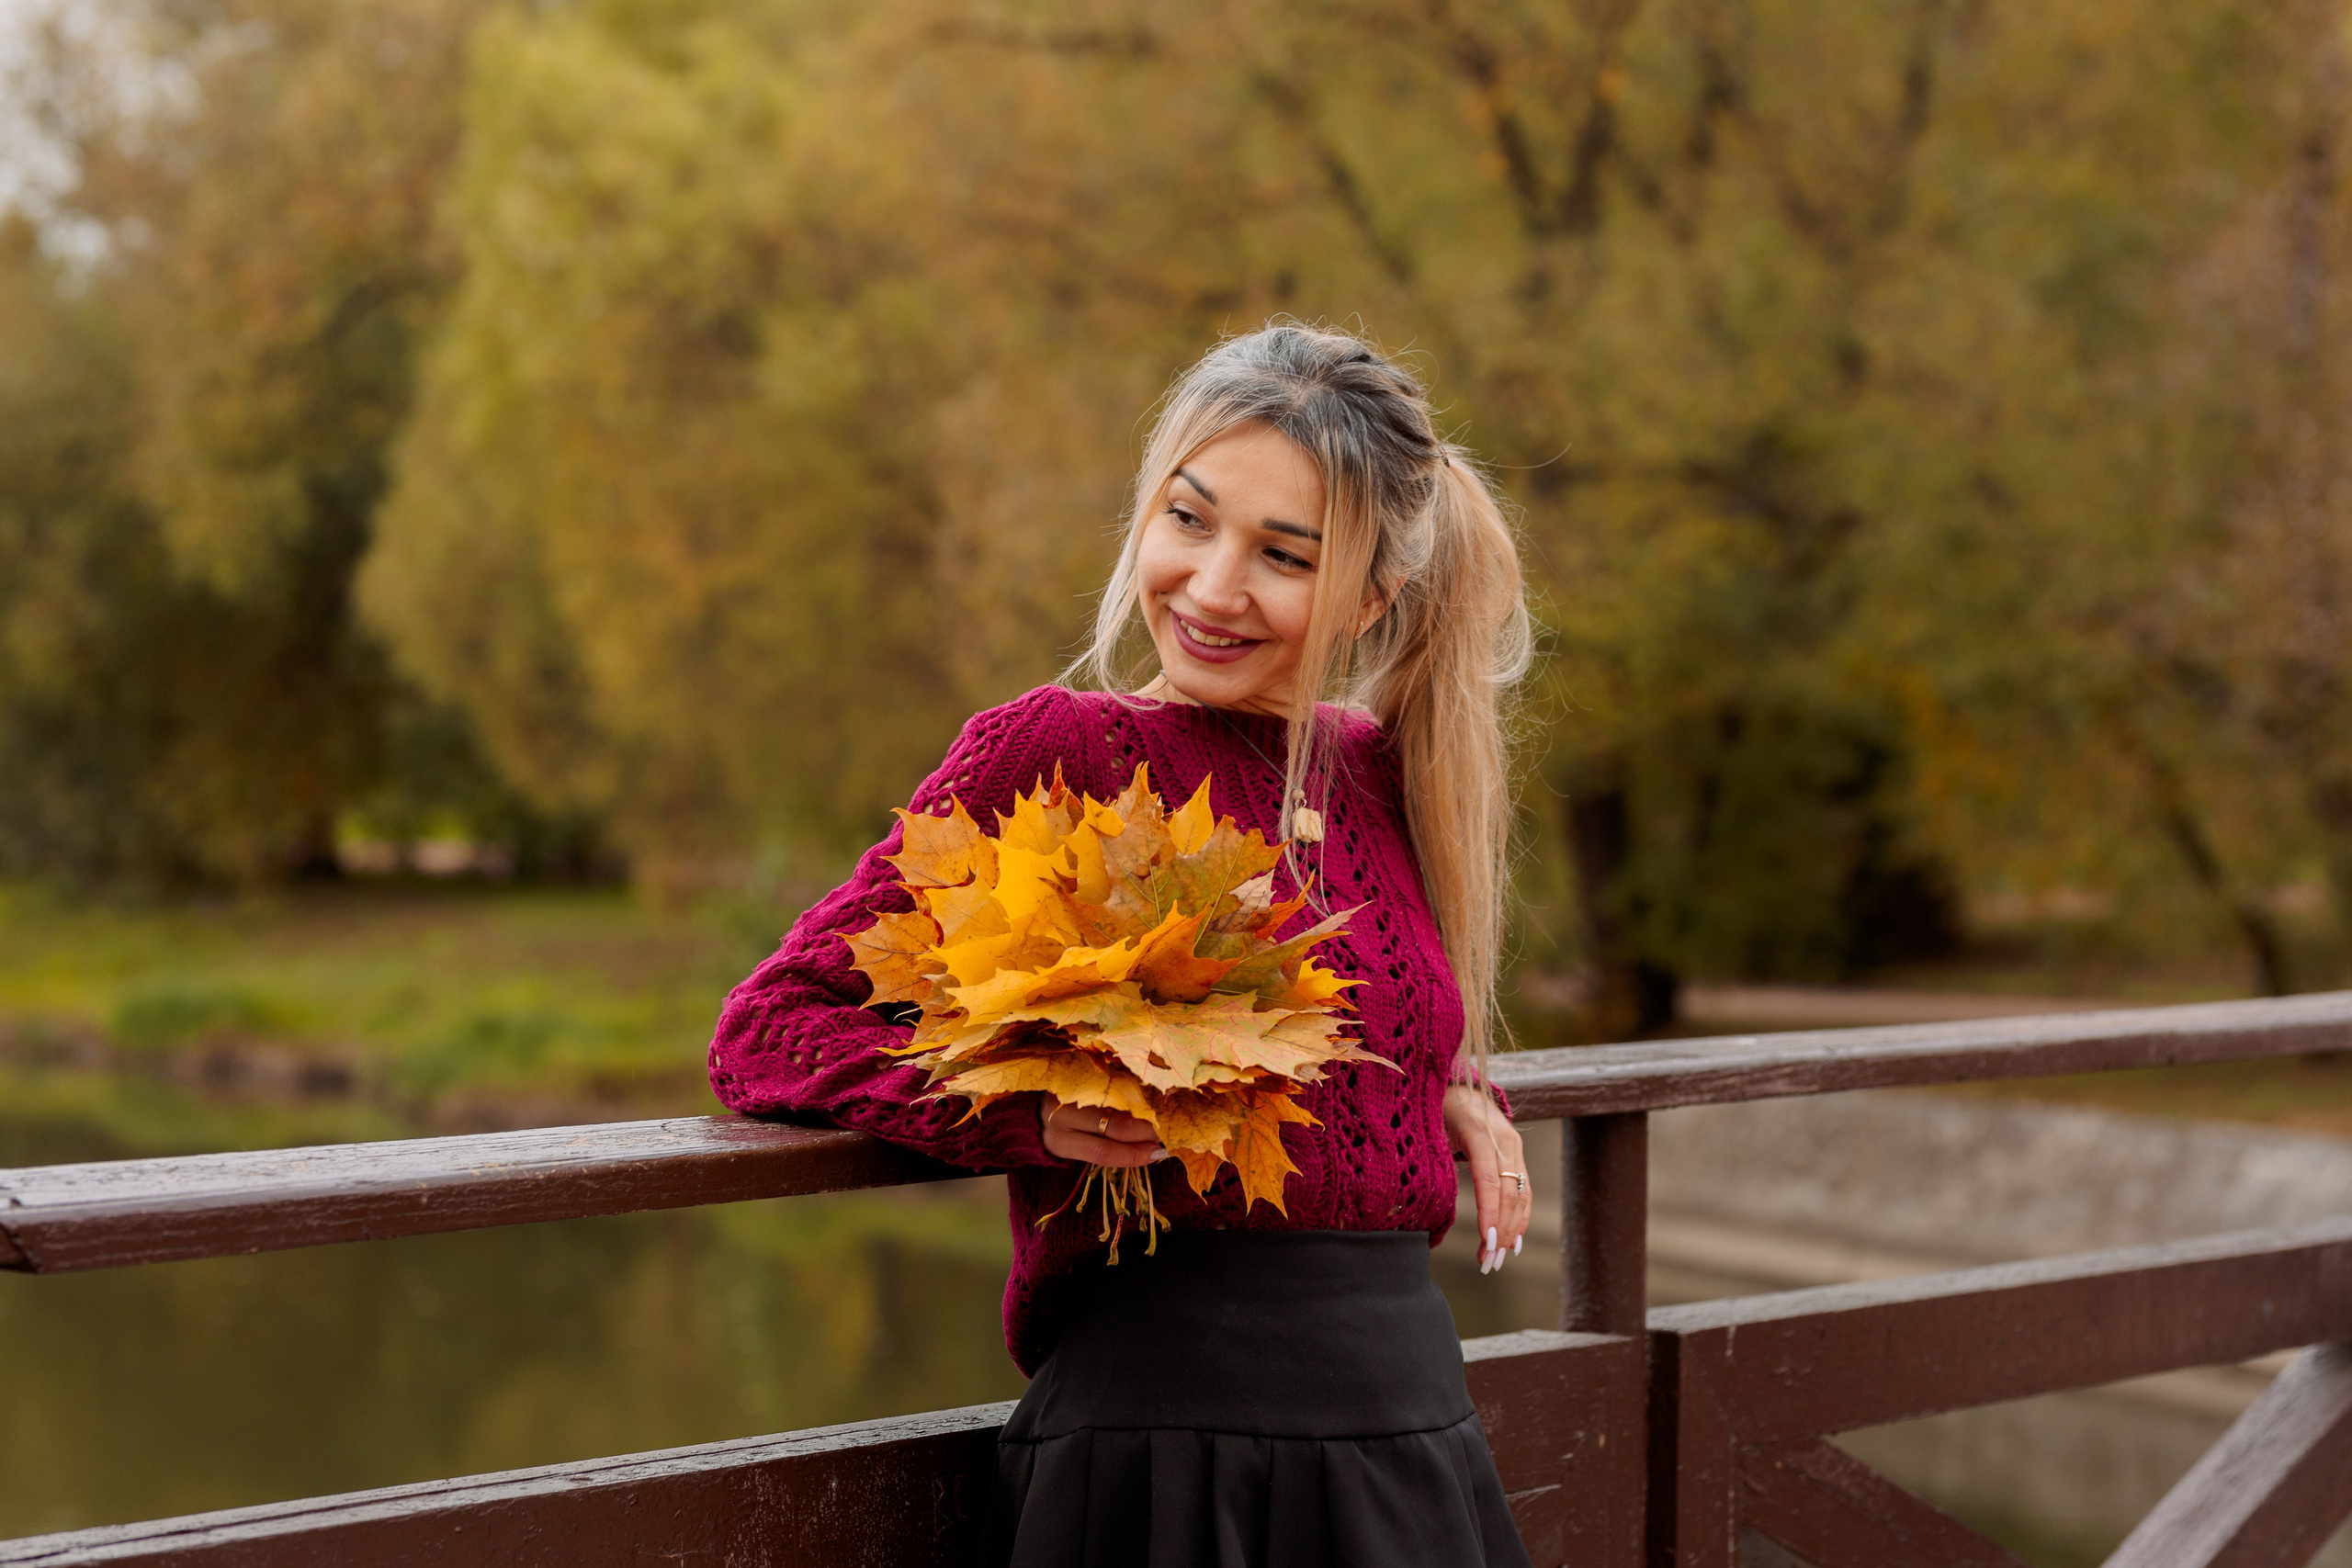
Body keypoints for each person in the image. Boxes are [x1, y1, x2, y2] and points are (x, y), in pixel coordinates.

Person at [708, 320, 1538, 1567]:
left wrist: (1456, 1077)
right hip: (1161, 1453)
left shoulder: (1388, 774)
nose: (1210, 588)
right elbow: (769, 1033)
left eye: (1283, 556)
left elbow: (1380, 1005)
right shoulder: (1058, 756)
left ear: (1372, 595)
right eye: (1188, 520)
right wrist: (1022, 1118)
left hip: (1404, 1439)